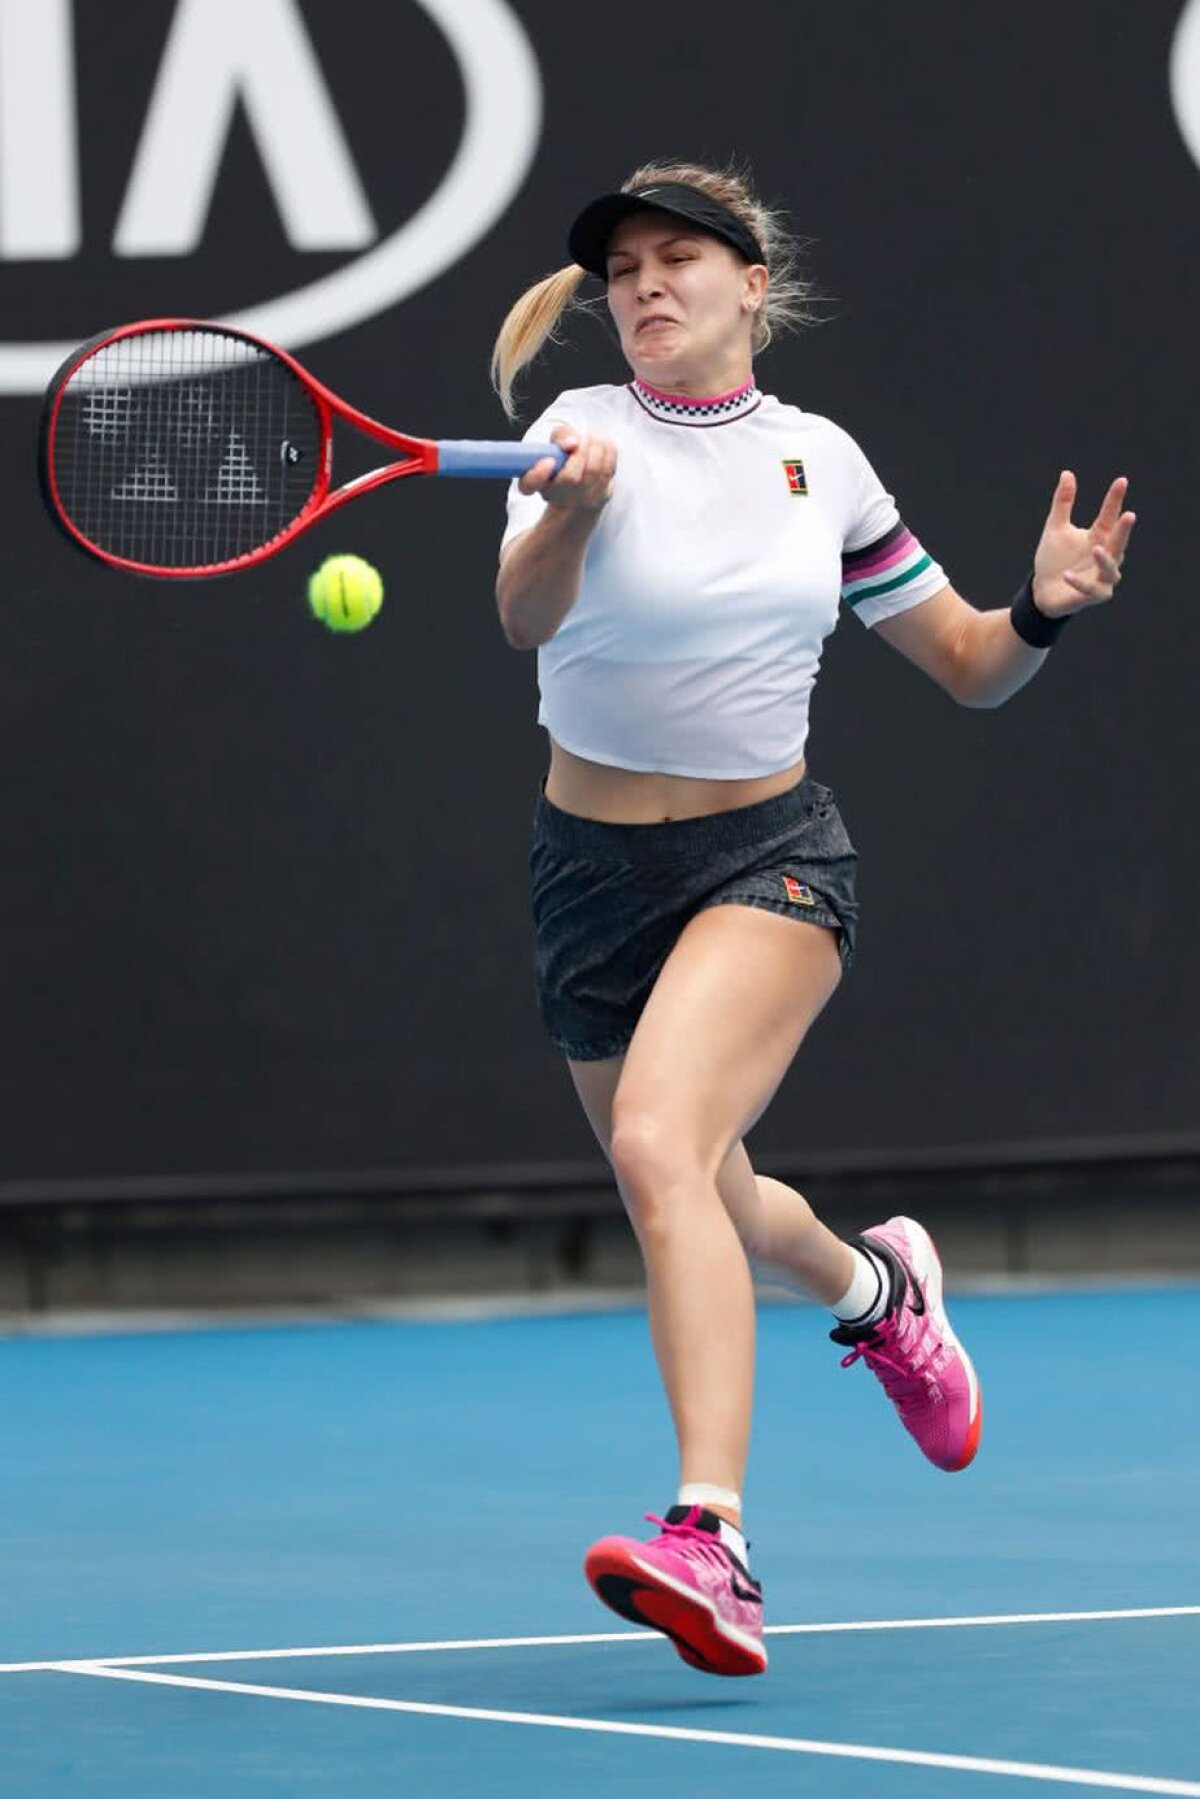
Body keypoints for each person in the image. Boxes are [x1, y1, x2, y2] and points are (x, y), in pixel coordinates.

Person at [490, 160, 1135, 1679]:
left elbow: (973, 665)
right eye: (622, 270)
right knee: (708, 1184)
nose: (644, 287)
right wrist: (571, 512)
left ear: (750, 286)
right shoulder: (569, 436)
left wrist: (1040, 608)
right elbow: (526, 618)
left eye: (677, 262)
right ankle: (879, 1292)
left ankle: (709, 1537)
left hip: (769, 861)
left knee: (656, 1144)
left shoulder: (820, 466)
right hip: (588, 873)